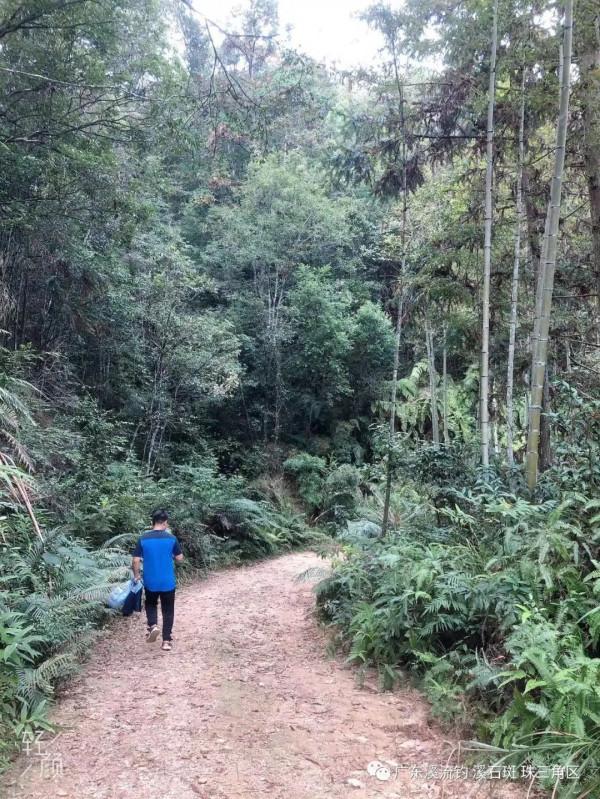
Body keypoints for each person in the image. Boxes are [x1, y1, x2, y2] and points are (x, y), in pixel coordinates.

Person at [131, 509, 184, 651]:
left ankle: (153, 625)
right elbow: (180, 558)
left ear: (152, 522)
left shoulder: (143, 538)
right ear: (165, 522)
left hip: (150, 581)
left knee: (151, 604)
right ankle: (166, 641)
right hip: (167, 581)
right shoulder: (171, 538)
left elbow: (135, 560)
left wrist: (136, 575)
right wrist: (171, 555)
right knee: (168, 610)